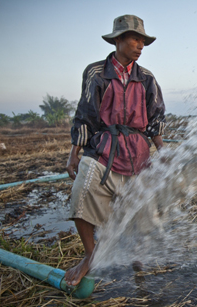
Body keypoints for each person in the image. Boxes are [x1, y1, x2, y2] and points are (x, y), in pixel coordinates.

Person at [65, 14, 166, 286]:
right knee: (82, 192)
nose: (140, 45)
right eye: (135, 39)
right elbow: (85, 114)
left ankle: (138, 257)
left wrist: (162, 150)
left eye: (143, 40)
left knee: (145, 212)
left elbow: (155, 118)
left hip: (138, 153)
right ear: (118, 40)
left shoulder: (146, 78)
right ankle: (91, 254)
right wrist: (74, 153)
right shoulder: (97, 72)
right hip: (104, 149)